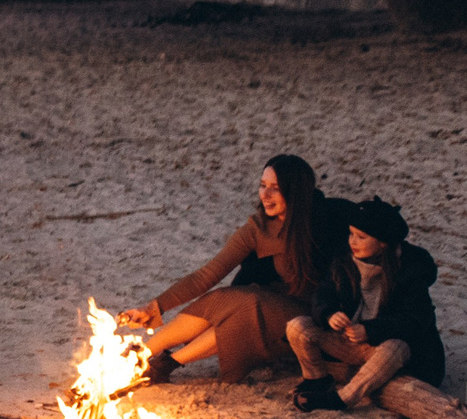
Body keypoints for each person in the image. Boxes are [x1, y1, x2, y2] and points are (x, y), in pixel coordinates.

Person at [118, 155, 340, 385]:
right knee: (221, 298)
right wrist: (153, 307)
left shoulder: (324, 222)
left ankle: (167, 364)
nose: (265, 195)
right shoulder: (258, 227)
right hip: (278, 299)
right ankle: (138, 353)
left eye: (275, 188)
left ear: (295, 192)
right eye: (263, 186)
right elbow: (207, 275)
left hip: (313, 314)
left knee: (248, 305)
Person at [287, 197, 445, 410]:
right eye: (351, 233)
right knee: (297, 327)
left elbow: (415, 321)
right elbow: (323, 294)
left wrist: (370, 330)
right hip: (350, 342)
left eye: (361, 237)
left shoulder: (409, 270)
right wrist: (329, 314)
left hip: (387, 351)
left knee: (395, 347)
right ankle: (317, 380)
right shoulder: (344, 260)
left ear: (383, 243)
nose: (353, 241)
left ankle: (342, 399)